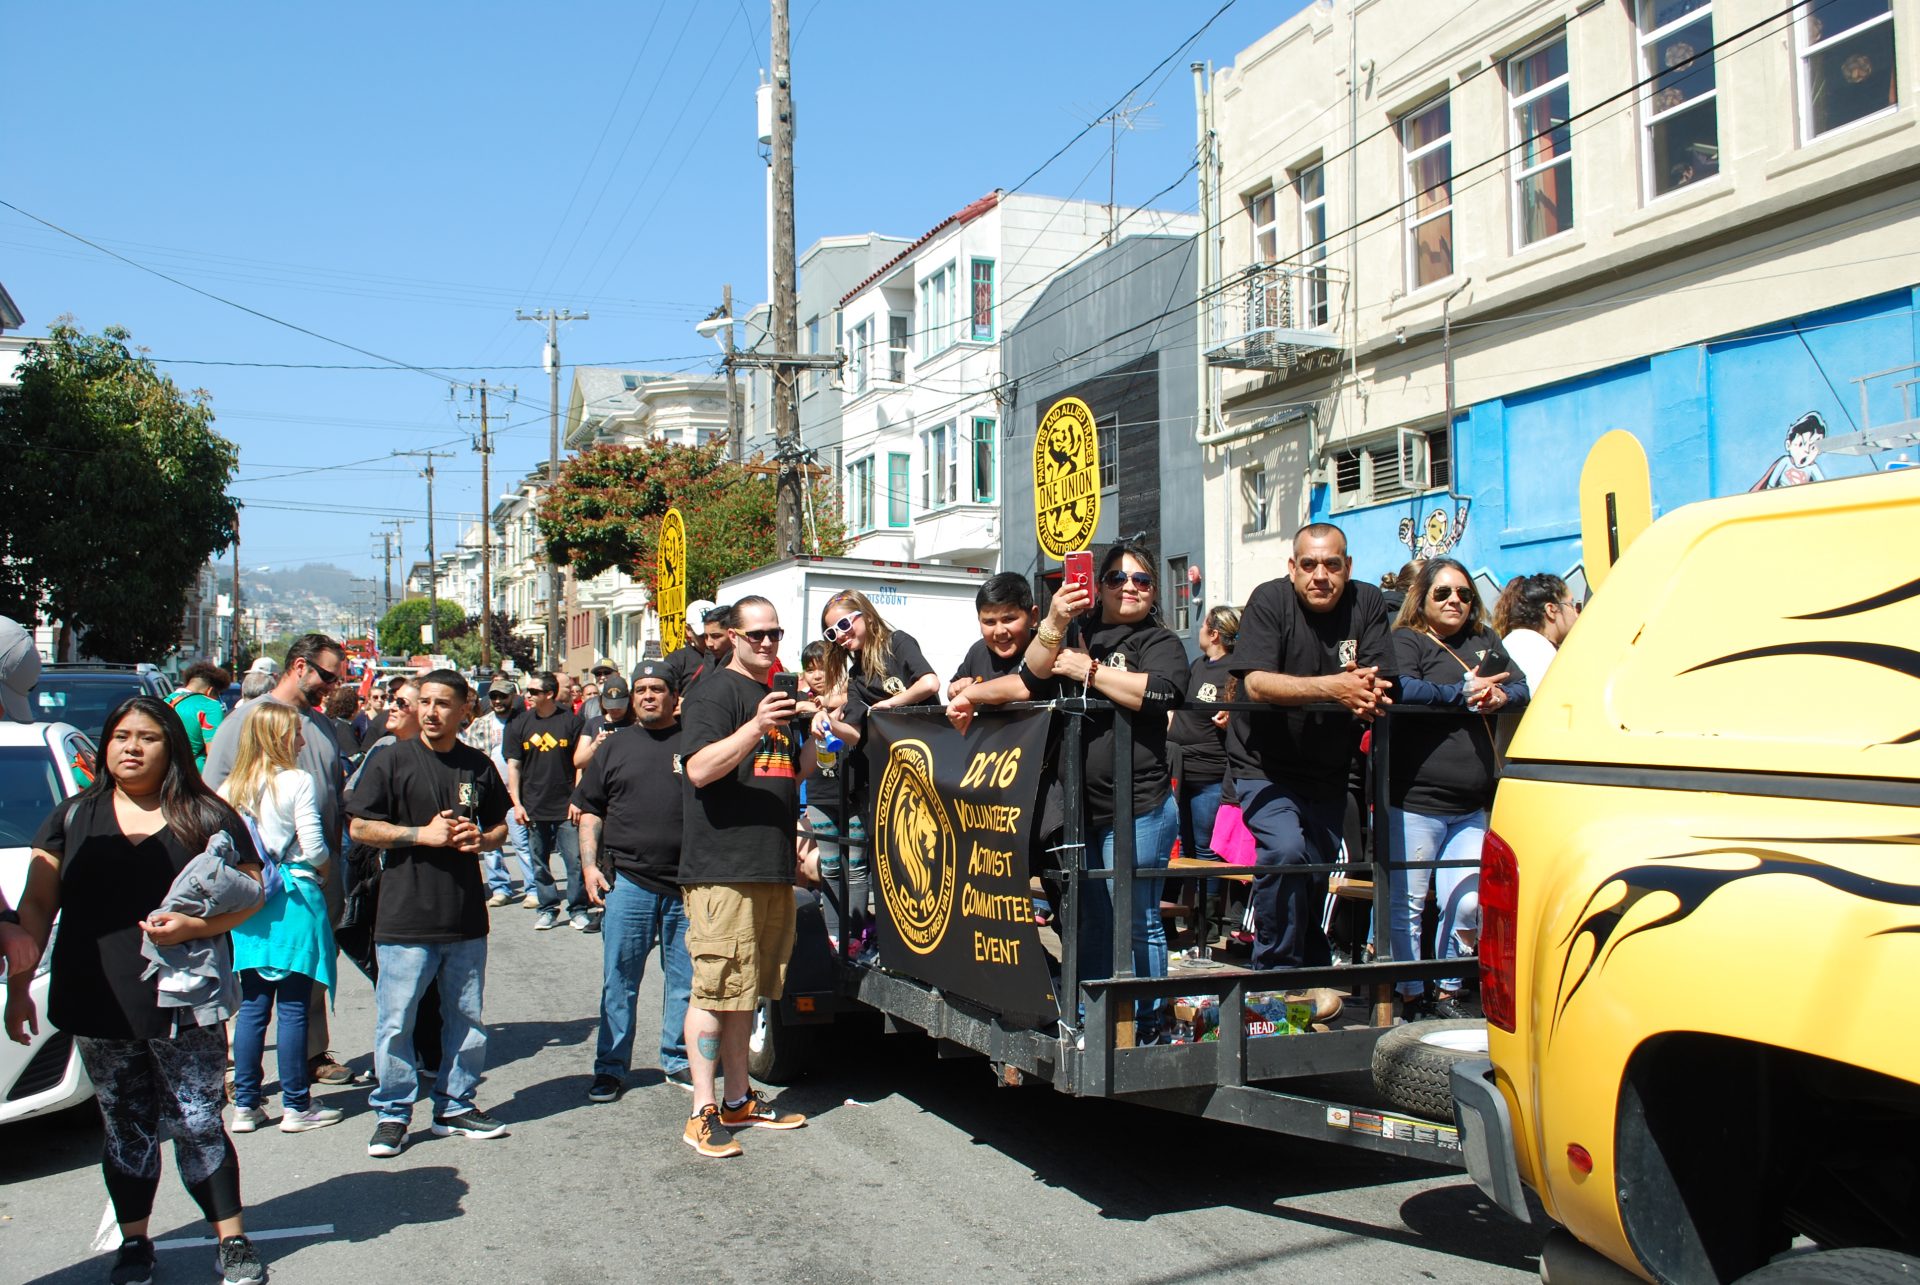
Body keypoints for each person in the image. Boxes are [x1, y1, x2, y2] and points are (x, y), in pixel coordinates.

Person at [5, 696, 270, 1285]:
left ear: (170, 746)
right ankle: (134, 1244)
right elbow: (37, 907)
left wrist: (197, 927)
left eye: (147, 737)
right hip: (97, 997)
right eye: (121, 736)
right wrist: (18, 989)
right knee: (125, 1124)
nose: (131, 747)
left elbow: (251, 893)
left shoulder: (205, 815)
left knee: (200, 1119)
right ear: (105, 746)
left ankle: (231, 1240)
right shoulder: (74, 816)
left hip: (184, 1001)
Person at [346, 669, 512, 1160]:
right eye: (426, 702)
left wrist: (481, 840)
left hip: (463, 916)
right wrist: (421, 835)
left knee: (466, 1017)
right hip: (404, 915)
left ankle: (455, 1106)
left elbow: (501, 824)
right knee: (397, 1020)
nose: (433, 712)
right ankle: (393, 1113)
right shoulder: (391, 760)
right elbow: (358, 826)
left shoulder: (478, 764)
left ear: (465, 711)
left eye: (444, 704)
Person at [1025, 540, 1189, 1031]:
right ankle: (1093, 1019)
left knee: (1134, 917)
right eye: (1117, 578)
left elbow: (1161, 694)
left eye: (1142, 580)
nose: (1130, 588)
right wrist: (1054, 620)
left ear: (1154, 591)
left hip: (1138, 806)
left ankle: (1147, 1020)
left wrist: (1089, 671)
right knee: (1091, 920)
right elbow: (1032, 672)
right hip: (1081, 807)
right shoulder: (1078, 630)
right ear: (1099, 586)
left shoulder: (1159, 641)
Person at [1228, 523, 1393, 990]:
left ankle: (1309, 961)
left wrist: (1365, 691)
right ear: (1292, 568)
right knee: (1285, 852)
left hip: (1328, 767)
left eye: (1332, 564)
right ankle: (1275, 975)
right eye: (1309, 565)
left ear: (1348, 567)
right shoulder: (1270, 599)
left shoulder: (1368, 601)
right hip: (1264, 762)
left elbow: (1383, 678)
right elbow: (1256, 683)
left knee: (1316, 868)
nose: (1321, 575)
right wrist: (1336, 688)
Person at [678, 595, 810, 1156]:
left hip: (768, 863)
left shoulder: (773, 694)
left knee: (743, 992)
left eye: (775, 634)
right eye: (755, 634)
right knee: (712, 990)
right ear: (730, 636)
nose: (767, 643)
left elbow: (788, 772)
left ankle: (739, 1099)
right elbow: (700, 769)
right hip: (722, 868)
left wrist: (826, 735)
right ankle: (701, 1112)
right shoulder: (714, 692)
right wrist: (756, 726)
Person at [204, 634, 353, 1088]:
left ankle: (310, 1056)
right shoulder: (248, 718)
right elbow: (215, 796)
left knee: (308, 972)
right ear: (300, 666)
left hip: (317, 877)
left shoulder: (320, 724)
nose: (332, 686)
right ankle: (237, 1069)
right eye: (327, 676)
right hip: (262, 879)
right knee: (252, 982)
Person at [1387, 558, 1528, 1019]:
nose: (1455, 602)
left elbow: (1525, 687)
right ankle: (1408, 995)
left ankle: (1446, 989)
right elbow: (1402, 690)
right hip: (1416, 801)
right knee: (1406, 906)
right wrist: (1462, 693)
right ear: (1422, 598)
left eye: (1464, 594)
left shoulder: (1485, 640)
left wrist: (1503, 696)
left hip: (1471, 804)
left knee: (1468, 901)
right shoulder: (1406, 640)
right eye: (1443, 593)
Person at [218, 702, 343, 1134]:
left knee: (252, 1006)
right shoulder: (296, 780)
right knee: (292, 1006)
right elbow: (315, 846)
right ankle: (296, 1106)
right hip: (294, 898)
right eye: (295, 732)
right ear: (277, 737)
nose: (302, 739)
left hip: (250, 902)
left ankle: (246, 1105)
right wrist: (324, 872)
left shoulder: (230, 787)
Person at [577, 662, 693, 1102]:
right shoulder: (613, 746)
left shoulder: (694, 743)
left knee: (684, 982)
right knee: (619, 980)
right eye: (640, 689)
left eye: (657, 689)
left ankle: (679, 1059)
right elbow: (590, 809)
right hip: (629, 884)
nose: (647, 696)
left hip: (687, 888)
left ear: (673, 696)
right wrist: (590, 867)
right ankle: (610, 1067)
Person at [505, 672, 591, 932]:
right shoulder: (519, 724)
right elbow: (514, 767)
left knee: (574, 861)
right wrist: (517, 804)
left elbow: (580, 764)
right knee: (539, 861)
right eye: (528, 691)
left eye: (533, 691)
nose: (527, 696)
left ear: (549, 694)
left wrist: (578, 798)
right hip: (533, 805)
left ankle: (577, 909)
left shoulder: (571, 721)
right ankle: (547, 908)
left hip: (566, 805)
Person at [462, 678, 534, 908]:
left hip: (515, 793)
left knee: (522, 841)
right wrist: (468, 801)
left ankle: (532, 888)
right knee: (490, 843)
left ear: (512, 697)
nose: (498, 701)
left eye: (503, 696)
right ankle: (500, 888)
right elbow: (467, 764)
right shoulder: (479, 724)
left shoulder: (523, 722)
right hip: (486, 792)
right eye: (494, 696)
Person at [946, 571, 1038, 734]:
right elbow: (953, 692)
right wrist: (955, 689)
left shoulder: (1043, 647)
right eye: (989, 622)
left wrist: (969, 694)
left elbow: (1023, 686)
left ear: (1033, 616)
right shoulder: (978, 651)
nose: (1000, 631)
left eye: (1009, 619)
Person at [167, 662, 232, 772]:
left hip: (162, 774)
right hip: (195, 777)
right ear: (210, 690)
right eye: (218, 695)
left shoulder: (164, 701)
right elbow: (215, 754)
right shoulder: (209, 705)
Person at [654, 598, 723, 696]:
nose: (709, 642)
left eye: (715, 636)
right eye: (702, 636)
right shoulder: (677, 660)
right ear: (688, 630)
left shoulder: (734, 657)